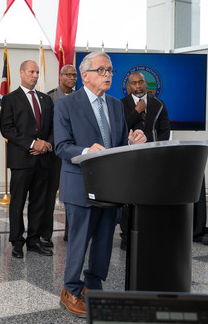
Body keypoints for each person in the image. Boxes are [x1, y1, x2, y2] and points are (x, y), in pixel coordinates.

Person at [55, 51, 146, 317]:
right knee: (79, 242)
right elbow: (62, 147)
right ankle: (70, 290)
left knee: (105, 241)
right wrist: (86, 151)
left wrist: (132, 142)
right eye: (102, 71)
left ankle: (93, 286)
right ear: (85, 76)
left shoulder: (117, 105)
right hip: (80, 185)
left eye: (110, 71)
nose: (108, 75)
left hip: (110, 187)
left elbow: (117, 145)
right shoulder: (66, 104)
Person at [0, 60, 54, 258]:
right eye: (31, 72)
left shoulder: (46, 99)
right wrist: (33, 144)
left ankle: (34, 240)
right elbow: (7, 129)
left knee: (39, 202)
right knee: (18, 202)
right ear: (21, 73)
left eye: (37, 72)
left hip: (43, 160)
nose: (35, 75)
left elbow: (53, 127)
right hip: (22, 160)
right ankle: (16, 241)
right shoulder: (9, 99)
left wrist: (46, 145)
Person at [119, 71, 171, 249]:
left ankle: (149, 233)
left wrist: (160, 151)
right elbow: (121, 127)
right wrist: (137, 111)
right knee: (129, 198)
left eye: (141, 82)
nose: (138, 86)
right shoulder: (121, 104)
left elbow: (165, 130)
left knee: (150, 196)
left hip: (152, 158)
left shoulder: (158, 103)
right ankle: (127, 237)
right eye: (134, 83)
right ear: (128, 87)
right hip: (130, 158)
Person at [45, 64, 77, 244]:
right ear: (61, 76)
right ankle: (46, 235)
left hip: (76, 152)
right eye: (69, 75)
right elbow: (48, 126)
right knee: (49, 196)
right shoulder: (50, 97)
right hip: (55, 153)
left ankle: (71, 233)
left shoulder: (81, 97)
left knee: (73, 196)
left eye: (74, 75)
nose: (72, 78)